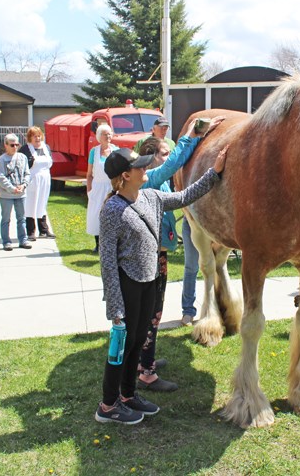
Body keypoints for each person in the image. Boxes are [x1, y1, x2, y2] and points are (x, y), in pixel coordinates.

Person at [95, 145, 227, 425]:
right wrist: (115, 306)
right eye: (140, 166)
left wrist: (213, 173)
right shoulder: (112, 209)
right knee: (123, 344)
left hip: (149, 283)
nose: (146, 168)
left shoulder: (151, 197)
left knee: (138, 341)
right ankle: (108, 406)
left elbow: (185, 196)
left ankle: (129, 396)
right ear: (124, 176)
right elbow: (107, 261)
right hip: (127, 285)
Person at [134, 117, 225, 392]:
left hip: (157, 255)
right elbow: (175, 163)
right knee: (149, 313)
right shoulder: (150, 180)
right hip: (148, 259)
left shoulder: (156, 185)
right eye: (162, 153)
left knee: (153, 313)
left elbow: (183, 196)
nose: (168, 157)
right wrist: (193, 135)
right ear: (150, 159)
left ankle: (143, 359)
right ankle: (145, 373)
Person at [86, 124, 119, 253]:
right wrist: (89, 190)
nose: (108, 136)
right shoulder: (94, 152)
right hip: (97, 187)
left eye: (110, 133)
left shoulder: (116, 151)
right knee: (96, 215)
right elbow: (89, 174)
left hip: (111, 187)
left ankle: (112, 244)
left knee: (112, 215)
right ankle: (98, 244)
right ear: (99, 136)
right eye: (105, 134)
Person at [0, 134, 31, 251]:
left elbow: (27, 173)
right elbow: (1, 178)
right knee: (6, 219)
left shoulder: (23, 157)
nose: (15, 147)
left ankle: (23, 240)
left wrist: (24, 185)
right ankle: (6, 242)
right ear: (6, 145)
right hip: (6, 195)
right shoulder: (1, 160)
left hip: (21, 194)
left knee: (21, 218)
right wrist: (12, 188)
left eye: (17, 144)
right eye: (12, 145)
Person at [19, 126, 55, 241]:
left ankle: (44, 230)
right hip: (32, 180)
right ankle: (30, 231)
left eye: (39, 135)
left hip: (45, 179)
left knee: (42, 202)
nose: (37, 138)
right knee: (31, 204)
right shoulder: (25, 149)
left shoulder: (46, 147)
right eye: (35, 136)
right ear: (30, 138)